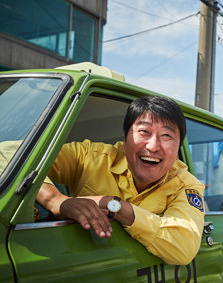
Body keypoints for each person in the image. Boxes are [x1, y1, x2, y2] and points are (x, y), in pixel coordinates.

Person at [36, 96, 205, 265]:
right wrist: (56, 201)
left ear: (177, 152)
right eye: (144, 132)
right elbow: (12, 154)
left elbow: (184, 248)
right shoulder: (90, 157)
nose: (153, 146)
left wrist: (114, 206)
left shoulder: (187, 185)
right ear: (124, 141)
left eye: (166, 136)